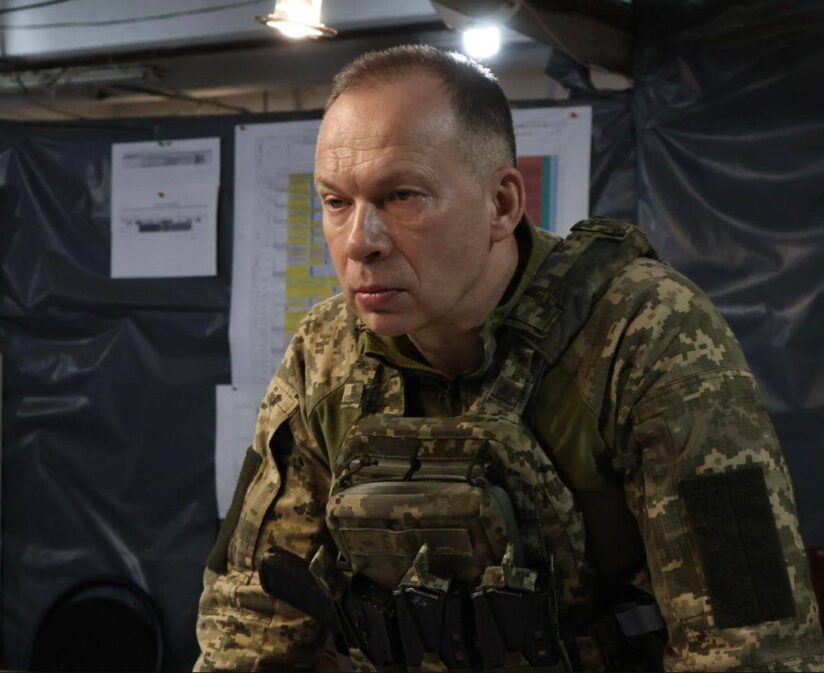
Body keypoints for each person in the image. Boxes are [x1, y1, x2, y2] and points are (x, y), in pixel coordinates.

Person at [195, 45, 824, 671]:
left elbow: (749, 640)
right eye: (337, 202)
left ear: (501, 204)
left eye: (402, 196)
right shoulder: (327, 351)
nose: (360, 241)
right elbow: (249, 620)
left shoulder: (644, 331)